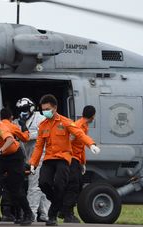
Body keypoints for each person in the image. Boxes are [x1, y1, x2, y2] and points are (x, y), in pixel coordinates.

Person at [29, 94, 99, 226]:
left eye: (48, 109)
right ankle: (59, 203)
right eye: (43, 109)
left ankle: (52, 215)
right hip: (49, 159)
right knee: (43, 183)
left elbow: (79, 134)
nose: (45, 112)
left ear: (55, 108)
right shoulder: (43, 125)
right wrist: (33, 163)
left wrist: (91, 144)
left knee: (60, 185)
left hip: (63, 159)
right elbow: (38, 146)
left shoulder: (65, 122)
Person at [16, 97, 51, 222]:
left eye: (24, 109)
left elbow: (37, 135)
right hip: (27, 158)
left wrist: (25, 133)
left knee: (34, 186)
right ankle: (46, 214)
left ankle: (32, 214)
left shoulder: (41, 119)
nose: (22, 112)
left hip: (40, 157)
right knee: (41, 187)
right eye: (20, 109)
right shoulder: (18, 121)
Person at [61, 105, 98, 223]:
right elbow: (68, 140)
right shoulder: (78, 125)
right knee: (73, 185)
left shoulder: (83, 125)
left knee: (76, 185)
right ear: (93, 116)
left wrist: (82, 163)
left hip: (76, 160)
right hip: (71, 159)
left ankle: (65, 210)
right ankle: (67, 213)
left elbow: (80, 147)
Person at [0, 108, 30, 222]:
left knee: (5, 186)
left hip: (1, 159)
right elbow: (25, 138)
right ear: (11, 117)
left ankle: (6, 213)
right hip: (15, 159)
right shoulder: (12, 126)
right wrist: (24, 127)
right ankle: (19, 215)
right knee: (17, 187)